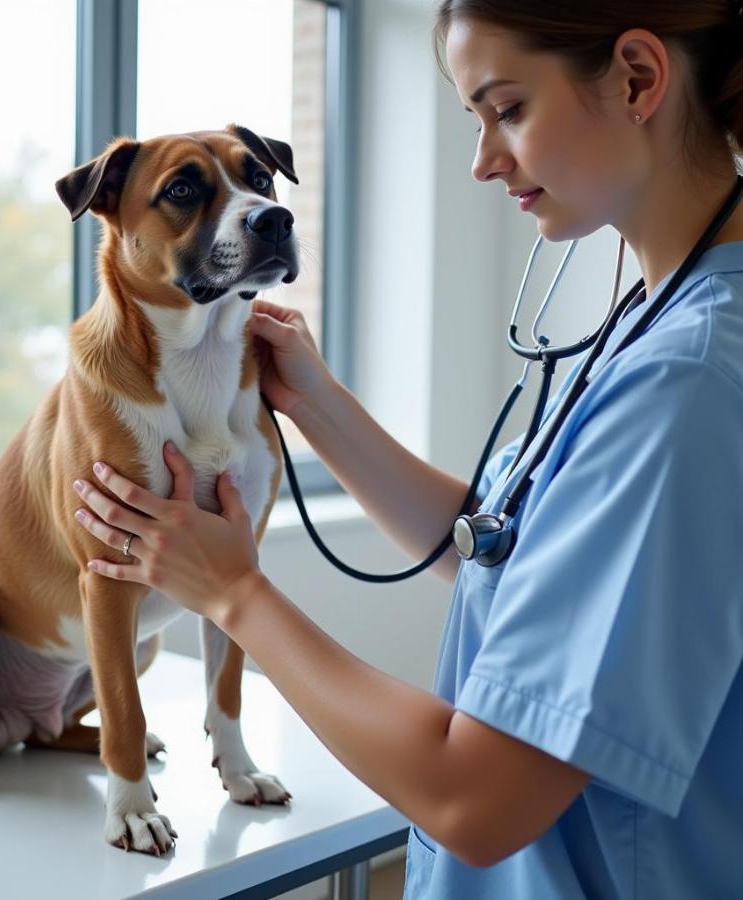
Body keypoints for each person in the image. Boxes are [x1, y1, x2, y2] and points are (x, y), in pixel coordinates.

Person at [71, 2, 743, 896]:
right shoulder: (656, 319)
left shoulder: (687, 380)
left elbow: (477, 800)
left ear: (636, 79)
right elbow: (501, 545)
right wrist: (318, 404)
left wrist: (235, 592)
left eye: (506, 109)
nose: (482, 160)